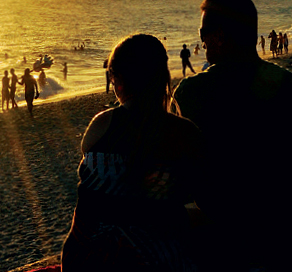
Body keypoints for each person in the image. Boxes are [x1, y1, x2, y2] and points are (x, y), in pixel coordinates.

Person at [173, 0, 292, 269]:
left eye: (203, 33)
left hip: (223, 221)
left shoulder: (191, 91)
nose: (202, 41)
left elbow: (180, 169)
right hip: (283, 219)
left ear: (219, 37)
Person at [61, 34, 202, 271]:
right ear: (163, 78)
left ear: (118, 82)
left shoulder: (101, 126)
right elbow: (208, 203)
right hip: (159, 258)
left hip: (88, 257)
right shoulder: (184, 132)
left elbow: (86, 208)